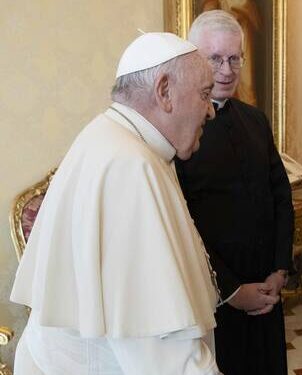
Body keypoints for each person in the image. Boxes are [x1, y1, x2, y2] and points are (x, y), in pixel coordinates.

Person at [10, 32, 220, 375]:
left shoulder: (118, 140)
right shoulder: (128, 166)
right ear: (164, 91)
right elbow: (158, 345)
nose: (211, 111)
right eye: (204, 94)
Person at [174, 10, 294, 375]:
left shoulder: (255, 120)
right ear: (194, 60)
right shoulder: (178, 129)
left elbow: (280, 196)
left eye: (234, 58)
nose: (226, 70)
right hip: (213, 296)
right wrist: (230, 290)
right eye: (215, 59)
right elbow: (182, 220)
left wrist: (279, 269)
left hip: (266, 288)